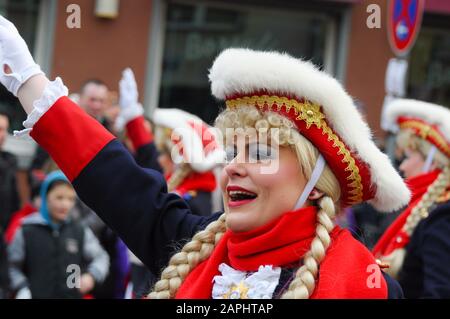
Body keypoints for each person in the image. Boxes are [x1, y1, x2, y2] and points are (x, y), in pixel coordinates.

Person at [0, 17, 410, 298]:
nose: (233, 165)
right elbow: (118, 181)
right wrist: (26, 79)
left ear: (314, 180)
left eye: (261, 153)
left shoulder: (366, 283)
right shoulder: (196, 243)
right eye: (233, 150)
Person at [116, 68, 223, 216]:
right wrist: (132, 119)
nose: (159, 159)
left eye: (165, 153)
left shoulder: (194, 201)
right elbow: (149, 154)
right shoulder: (177, 185)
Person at [373, 99, 450, 298]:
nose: (403, 166)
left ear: (432, 163)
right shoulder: (424, 207)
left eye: (407, 156)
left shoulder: (442, 215)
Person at [7, 171, 110, 298]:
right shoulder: (27, 230)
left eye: (71, 199)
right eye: (59, 197)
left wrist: (92, 276)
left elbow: (101, 257)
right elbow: (11, 266)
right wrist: (21, 287)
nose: (65, 204)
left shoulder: (79, 230)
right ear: (46, 197)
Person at [0, 110, 19, 230]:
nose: (4, 135)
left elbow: (14, 199)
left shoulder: (9, 160)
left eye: (5, 130)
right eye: (0, 129)